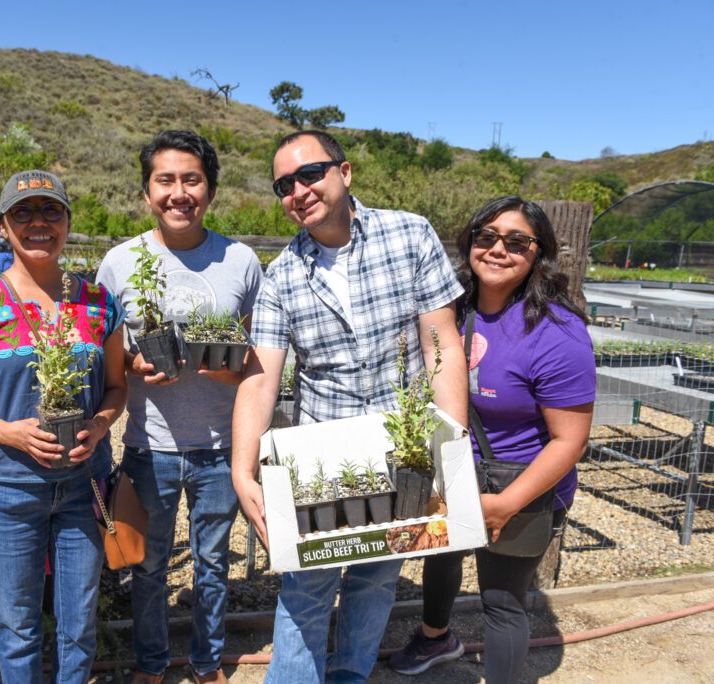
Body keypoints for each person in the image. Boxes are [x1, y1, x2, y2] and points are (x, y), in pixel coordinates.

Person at [230, 130, 468, 684]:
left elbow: (442, 345)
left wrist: (449, 441)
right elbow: (261, 379)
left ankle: (348, 676)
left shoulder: (409, 235)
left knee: (376, 580)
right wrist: (243, 469)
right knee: (305, 591)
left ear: (345, 172)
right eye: (284, 184)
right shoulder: (283, 273)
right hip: (324, 456)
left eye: (309, 173)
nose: (298, 190)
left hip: (402, 451)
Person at [387, 196, 595, 681]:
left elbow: (570, 441)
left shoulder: (557, 332)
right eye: (487, 237)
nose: (499, 249)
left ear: (538, 253)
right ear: (470, 245)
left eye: (517, 241)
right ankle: (436, 639)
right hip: (456, 471)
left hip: (523, 486)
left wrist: (504, 505)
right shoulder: (453, 313)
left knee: (501, 602)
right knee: (441, 560)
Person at [0, 169, 127, 683]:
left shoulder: (98, 304)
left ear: (67, 222)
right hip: (6, 488)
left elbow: (116, 387)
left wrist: (101, 422)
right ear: (2, 225)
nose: (38, 223)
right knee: (18, 625)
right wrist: (8, 432)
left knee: (79, 622)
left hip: (83, 486)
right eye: (22, 212)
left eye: (50, 211)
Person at [96, 130, 263, 684]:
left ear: (210, 191)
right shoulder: (120, 263)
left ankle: (206, 662)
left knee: (213, 567)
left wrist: (230, 367)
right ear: (147, 192)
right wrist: (130, 366)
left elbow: (261, 355)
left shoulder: (240, 260)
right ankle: (149, 664)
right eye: (165, 180)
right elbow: (102, 355)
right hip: (150, 448)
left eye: (191, 179)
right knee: (147, 568)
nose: (178, 192)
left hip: (221, 449)